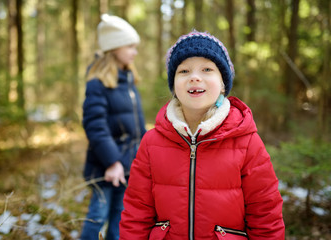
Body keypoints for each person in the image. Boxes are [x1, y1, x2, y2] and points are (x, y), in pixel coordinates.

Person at [119, 30, 285, 239]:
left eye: (207, 69)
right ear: (173, 85)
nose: (195, 77)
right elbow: (136, 212)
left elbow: (265, 214)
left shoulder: (247, 142)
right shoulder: (152, 143)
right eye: (184, 71)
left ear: (223, 83)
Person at [80, 14, 146, 240]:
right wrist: (112, 162)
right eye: (130, 46)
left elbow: (137, 125)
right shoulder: (97, 83)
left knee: (121, 216)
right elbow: (95, 126)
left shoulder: (128, 81)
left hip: (129, 164)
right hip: (106, 167)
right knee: (97, 216)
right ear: (114, 47)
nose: (134, 52)